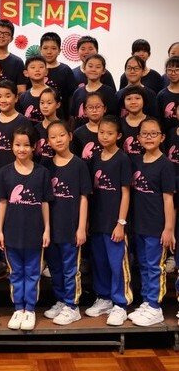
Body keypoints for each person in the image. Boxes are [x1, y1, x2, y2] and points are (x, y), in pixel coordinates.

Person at [0, 125, 52, 330]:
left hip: (35, 233)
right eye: (17, 145)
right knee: (16, 273)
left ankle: (30, 309)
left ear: (34, 146)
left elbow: (45, 203)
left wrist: (47, 229)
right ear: (11, 146)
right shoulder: (4, 172)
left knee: (32, 272)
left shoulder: (42, 172)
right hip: (12, 233)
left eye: (26, 145)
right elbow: (2, 202)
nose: (22, 149)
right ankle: (18, 308)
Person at [86, 115, 133, 326]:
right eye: (102, 132)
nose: (105, 136)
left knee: (117, 264)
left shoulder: (122, 159)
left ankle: (120, 304)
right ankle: (104, 298)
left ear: (119, 135)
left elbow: (126, 193)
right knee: (100, 262)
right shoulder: (95, 158)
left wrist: (121, 223)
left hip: (115, 223)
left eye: (110, 133)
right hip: (97, 221)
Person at [128, 118, 175, 326]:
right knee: (144, 265)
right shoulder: (136, 161)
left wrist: (168, 228)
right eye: (145, 134)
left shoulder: (165, 165)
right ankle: (147, 302)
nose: (149, 137)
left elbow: (168, 199)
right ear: (138, 138)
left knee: (155, 266)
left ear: (162, 137)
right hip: (139, 225)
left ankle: (155, 307)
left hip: (157, 227)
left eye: (153, 134)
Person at [45, 120, 91, 325]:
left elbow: (84, 197)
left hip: (71, 227)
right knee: (55, 267)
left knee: (70, 268)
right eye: (53, 137)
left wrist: (81, 227)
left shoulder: (79, 165)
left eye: (62, 135)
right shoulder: (46, 166)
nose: (58, 140)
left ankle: (72, 306)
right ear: (48, 141)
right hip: (52, 228)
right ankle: (61, 300)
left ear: (70, 136)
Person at [0, 80, 33, 173]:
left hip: (15, 173)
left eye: (7, 96)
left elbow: (29, 152)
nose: (3, 100)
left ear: (16, 98)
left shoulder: (23, 122)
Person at [70, 54, 117, 129]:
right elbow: (73, 116)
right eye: (90, 66)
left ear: (103, 71)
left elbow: (113, 116)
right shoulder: (78, 92)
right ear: (84, 69)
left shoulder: (109, 92)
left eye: (98, 67)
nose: (93, 70)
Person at [39, 32, 77, 119]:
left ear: (59, 51)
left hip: (61, 118)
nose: (49, 52)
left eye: (53, 48)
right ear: (40, 49)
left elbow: (72, 96)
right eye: (45, 48)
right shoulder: (35, 69)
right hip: (38, 118)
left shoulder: (65, 70)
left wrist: (70, 117)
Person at [72, 92, 106, 163]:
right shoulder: (78, 134)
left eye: (98, 107)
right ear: (84, 110)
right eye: (90, 107)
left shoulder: (111, 130)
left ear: (105, 109)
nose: (94, 110)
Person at [34, 88, 61, 168]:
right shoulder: (35, 129)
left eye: (49, 103)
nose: (45, 106)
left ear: (58, 104)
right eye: (42, 103)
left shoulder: (63, 128)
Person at [19, 55, 49, 124]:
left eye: (41, 67)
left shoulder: (53, 93)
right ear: (26, 73)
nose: (37, 70)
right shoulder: (23, 97)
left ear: (46, 71)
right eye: (33, 67)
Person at [119, 85, 147, 156]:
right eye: (129, 99)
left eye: (137, 98)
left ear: (144, 100)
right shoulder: (118, 124)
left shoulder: (152, 123)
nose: (133, 102)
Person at [156, 56, 179, 133]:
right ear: (166, 72)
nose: (173, 73)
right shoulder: (161, 95)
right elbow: (158, 120)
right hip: (167, 136)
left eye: (177, 70)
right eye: (170, 70)